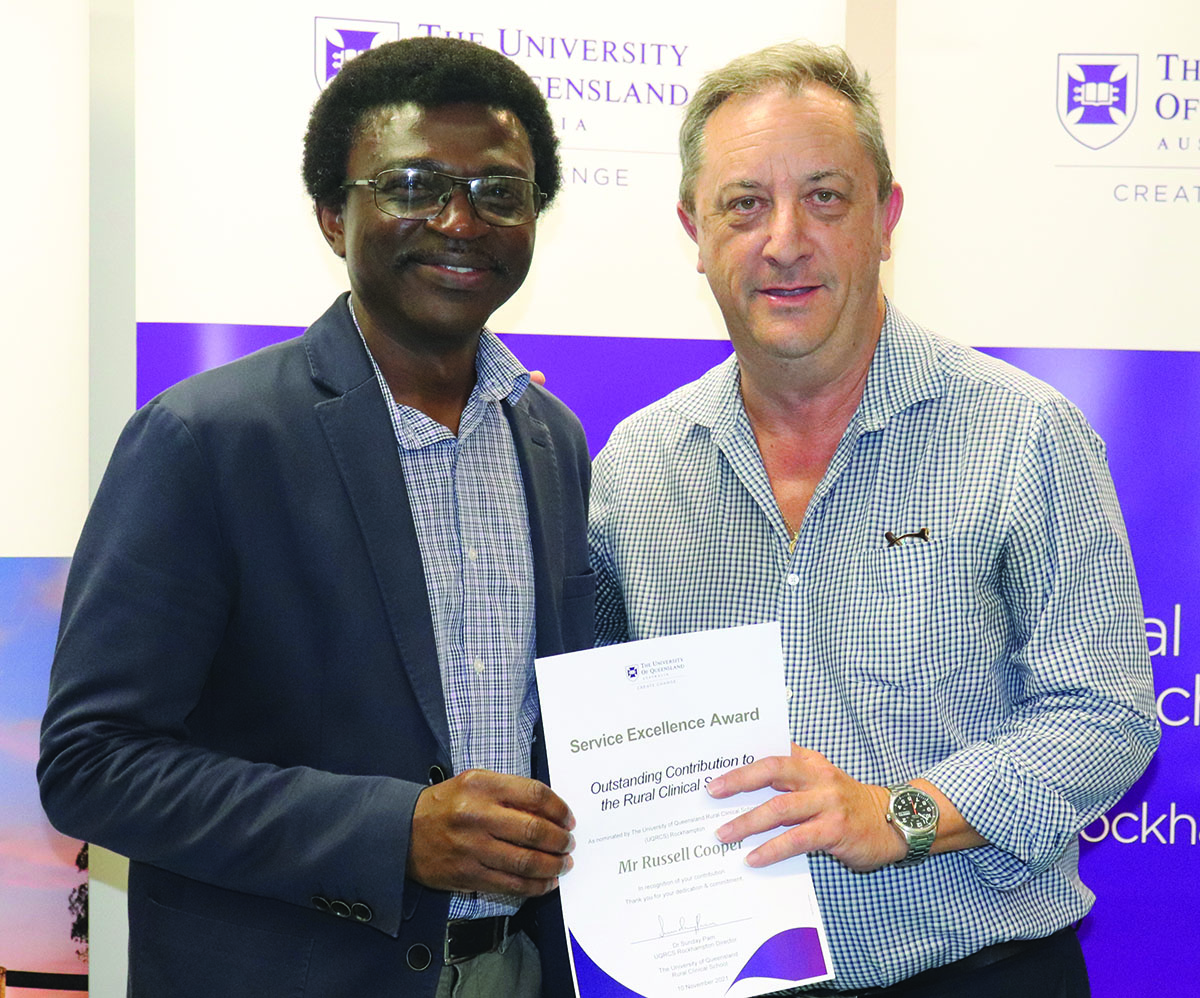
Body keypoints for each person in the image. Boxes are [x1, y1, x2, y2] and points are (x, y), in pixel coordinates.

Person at [589, 41, 1158, 996]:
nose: (784, 240)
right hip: (714, 975)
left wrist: (903, 813)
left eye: (825, 197)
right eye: (743, 204)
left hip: (976, 972)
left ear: (886, 218)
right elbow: (593, 724)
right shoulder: (634, 467)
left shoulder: (1024, 435)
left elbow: (1104, 716)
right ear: (694, 229)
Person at [39, 37, 594, 998]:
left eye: (500, 192)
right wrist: (392, 834)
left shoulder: (552, 440)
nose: (461, 220)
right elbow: (91, 765)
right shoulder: (205, 439)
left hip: (515, 972)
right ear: (335, 218)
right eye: (415, 185)